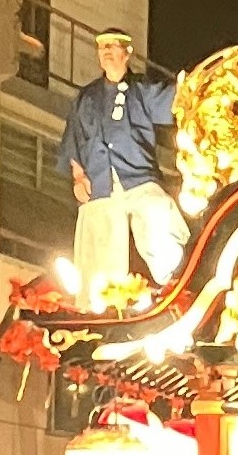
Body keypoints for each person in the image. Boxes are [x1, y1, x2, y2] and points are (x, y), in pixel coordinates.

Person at [58, 28, 188, 303]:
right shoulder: (87, 97)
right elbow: (74, 136)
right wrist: (78, 176)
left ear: (126, 53)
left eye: (112, 47)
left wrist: (191, 87)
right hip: (99, 182)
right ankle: (98, 307)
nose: (106, 53)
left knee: (157, 214)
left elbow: (179, 102)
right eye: (101, 48)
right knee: (98, 244)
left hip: (138, 176)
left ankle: (177, 283)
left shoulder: (142, 91)